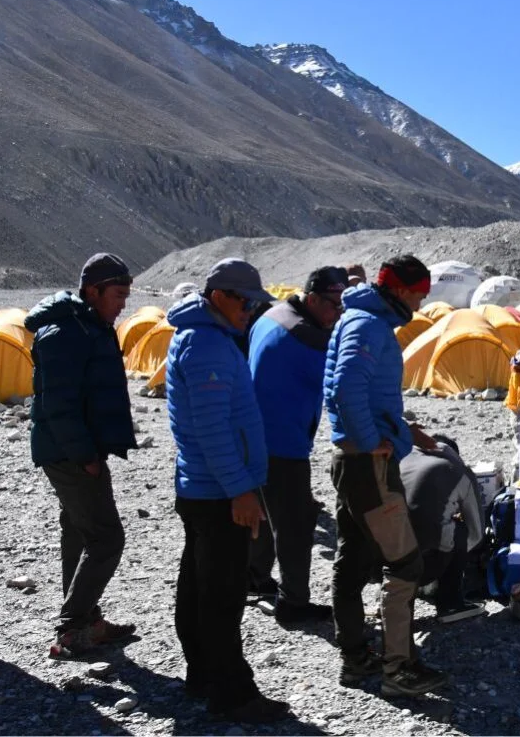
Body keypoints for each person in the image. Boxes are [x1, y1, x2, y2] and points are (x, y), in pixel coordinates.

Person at [165, 259, 288, 723]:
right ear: (218, 296)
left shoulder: (202, 336)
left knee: (199, 587)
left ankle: (202, 675)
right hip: (218, 492)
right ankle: (233, 695)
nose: (250, 310)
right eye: (245, 301)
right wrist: (241, 489)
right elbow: (213, 428)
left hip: (202, 486)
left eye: (254, 303)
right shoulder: (208, 345)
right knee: (221, 595)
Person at [325, 255, 448, 697]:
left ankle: (355, 656)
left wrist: (403, 430)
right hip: (368, 465)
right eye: (418, 294)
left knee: (354, 558)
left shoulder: (358, 318)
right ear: (398, 289)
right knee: (405, 562)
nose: (421, 302)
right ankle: (399, 668)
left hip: (352, 462)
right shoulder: (369, 326)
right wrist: (370, 438)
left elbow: (363, 392)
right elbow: (345, 387)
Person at [26, 253, 139, 659]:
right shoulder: (66, 333)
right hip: (69, 452)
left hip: (74, 448)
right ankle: (73, 628)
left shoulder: (86, 325)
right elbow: (59, 405)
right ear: (93, 291)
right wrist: (85, 455)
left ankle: (87, 621)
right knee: (107, 537)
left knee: (79, 529)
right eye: (118, 295)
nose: (122, 304)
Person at [246, 266, 349, 622]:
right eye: (334, 305)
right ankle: (293, 603)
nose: (338, 314)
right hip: (284, 442)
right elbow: (341, 389)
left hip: (253, 433)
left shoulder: (272, 315)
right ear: (314, 299)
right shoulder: (308, 340)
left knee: (262, 513)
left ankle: (255, 579)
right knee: (295, 524)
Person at [399, 436, 487, 623]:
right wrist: (456, 560)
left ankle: (393, 602)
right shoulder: (458, 470)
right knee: (459, 531)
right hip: (422, 567)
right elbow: (476, 533)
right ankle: (450, 603)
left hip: (383, 563)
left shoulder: (403, 458)